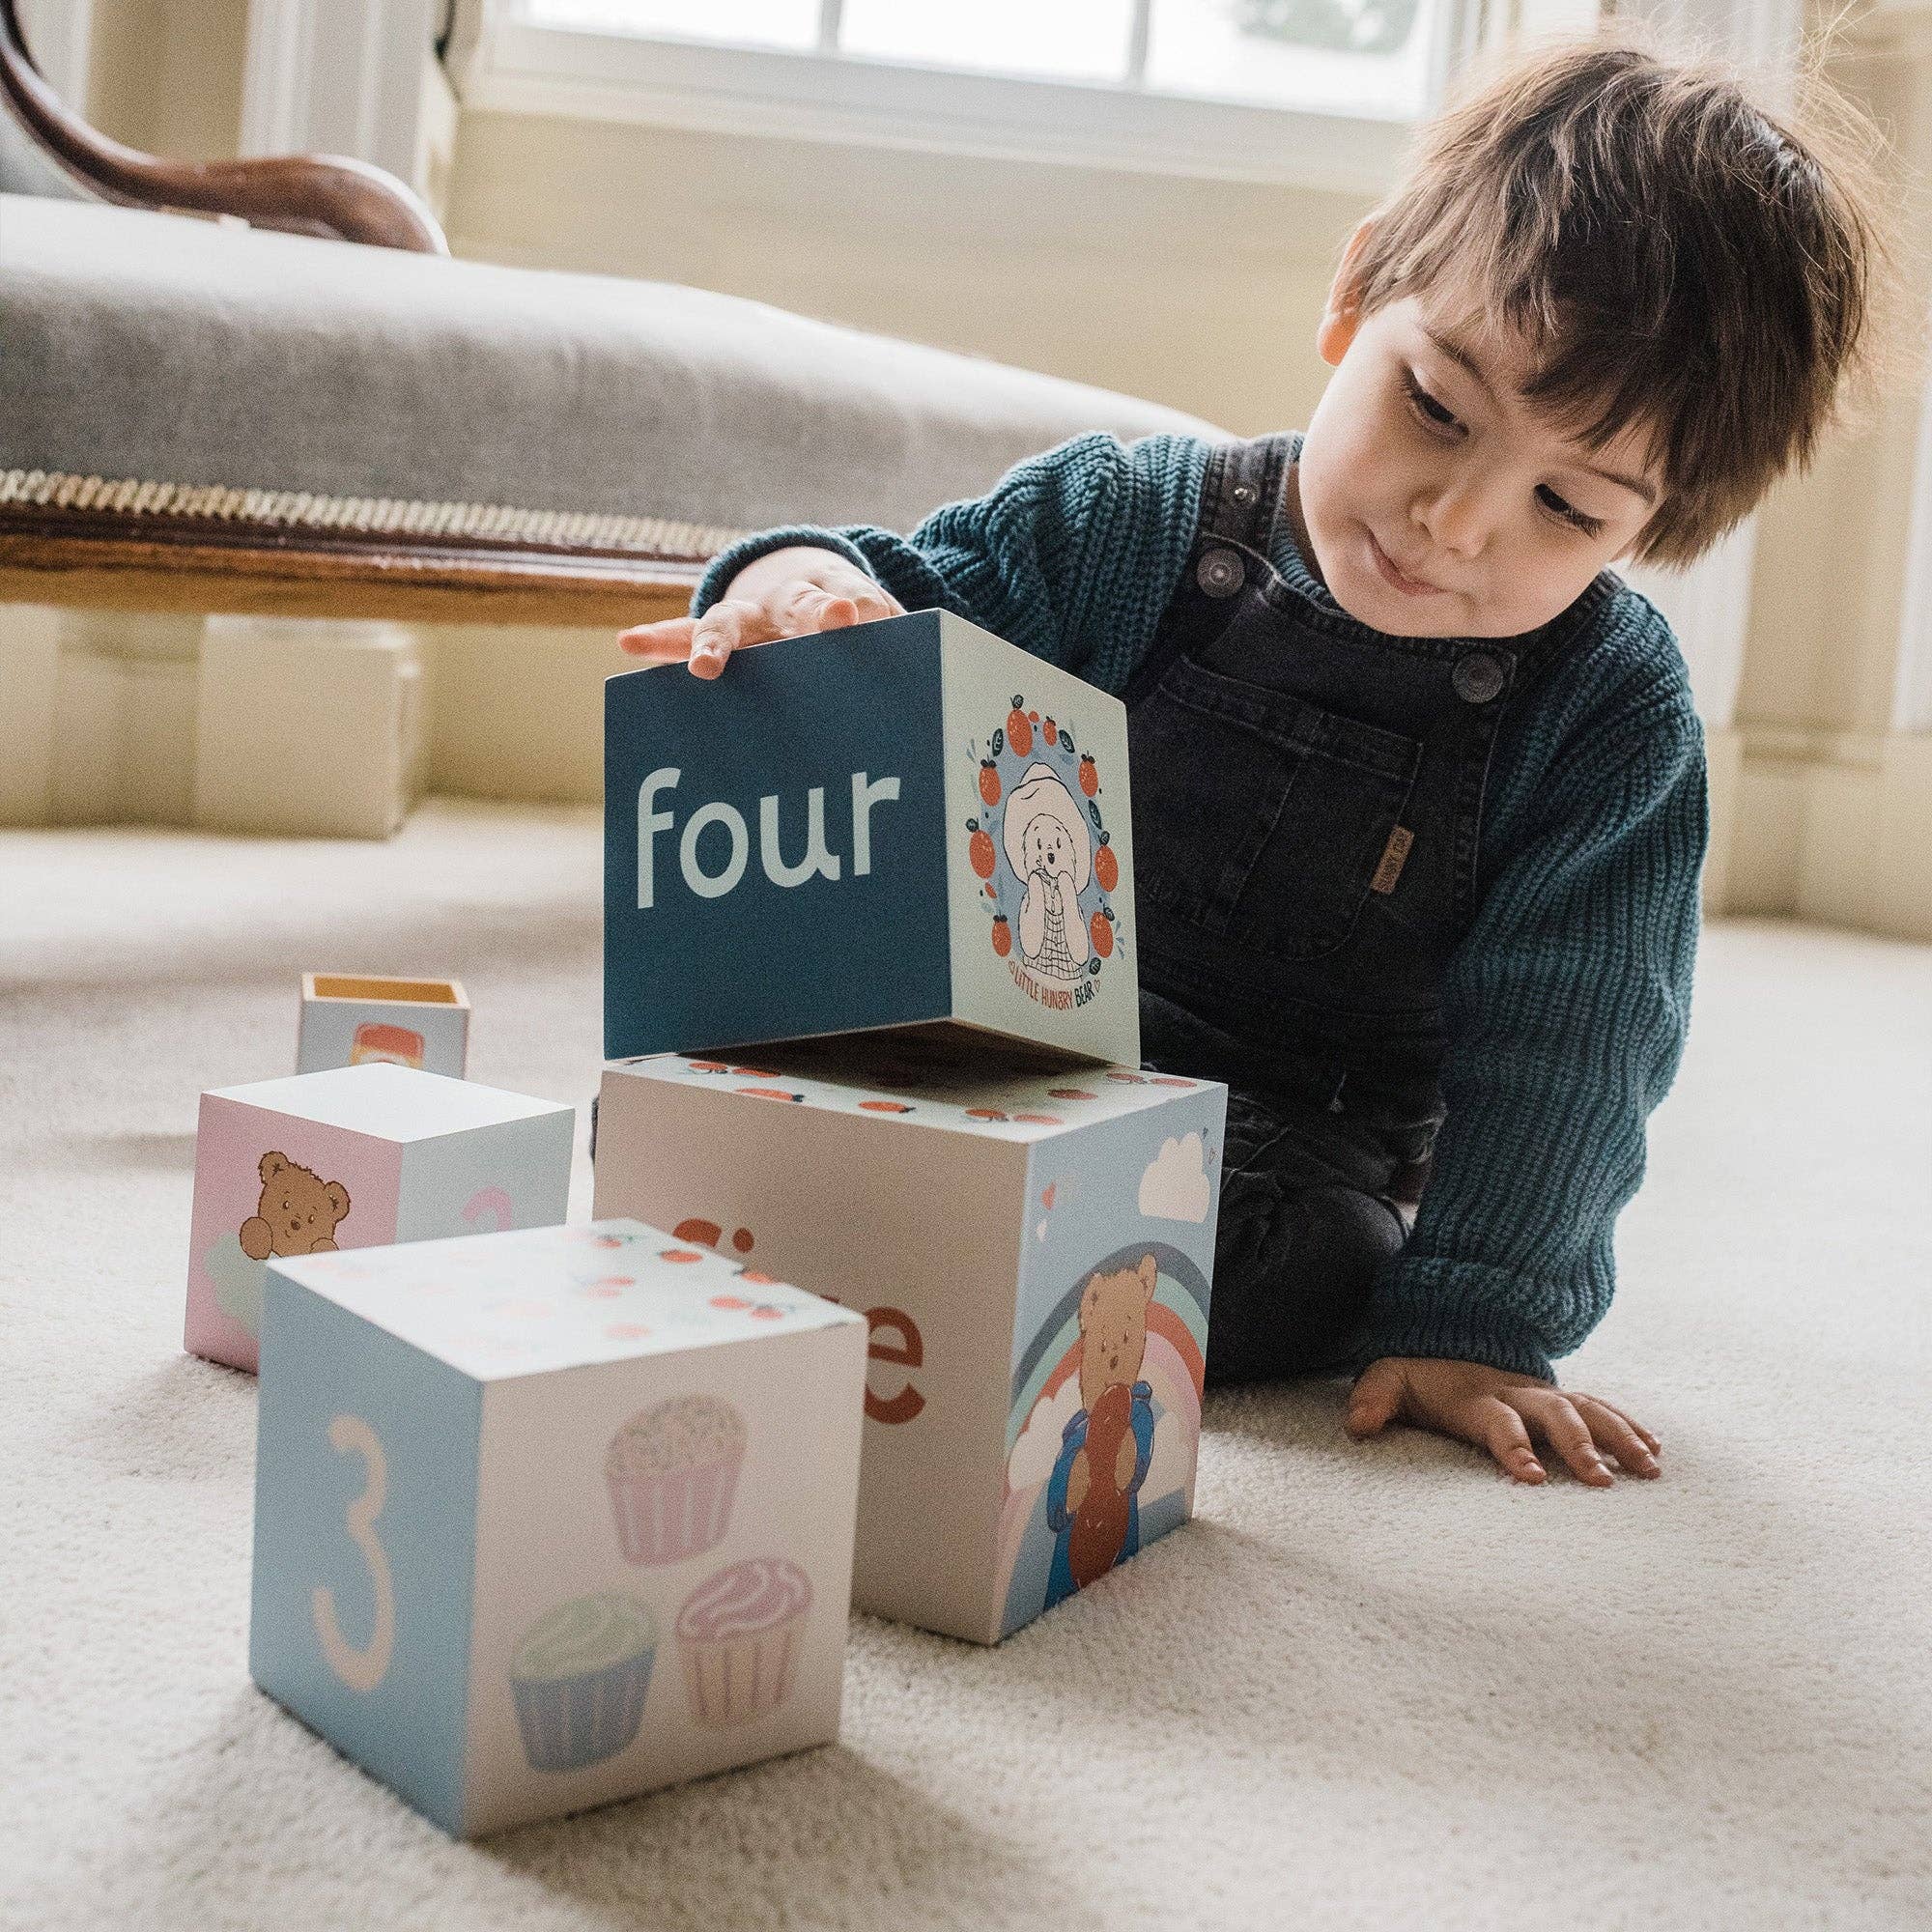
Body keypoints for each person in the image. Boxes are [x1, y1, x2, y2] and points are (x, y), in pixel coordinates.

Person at [615, 26, 1914, 1486]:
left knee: (1309, 1262)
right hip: (996, 1044)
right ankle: (862, 1210)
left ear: (1653, 532)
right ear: (1356, 290)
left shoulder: (1610, 717)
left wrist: (1482, 1313)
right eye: (1436, 408)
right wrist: (795, 593)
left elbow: (1575, 1043)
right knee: (693, 1095)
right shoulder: (1127, 519)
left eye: (1567, 507)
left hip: (1275, 1149)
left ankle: (909, 1246)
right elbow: (894, 603)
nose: (1459, 523)